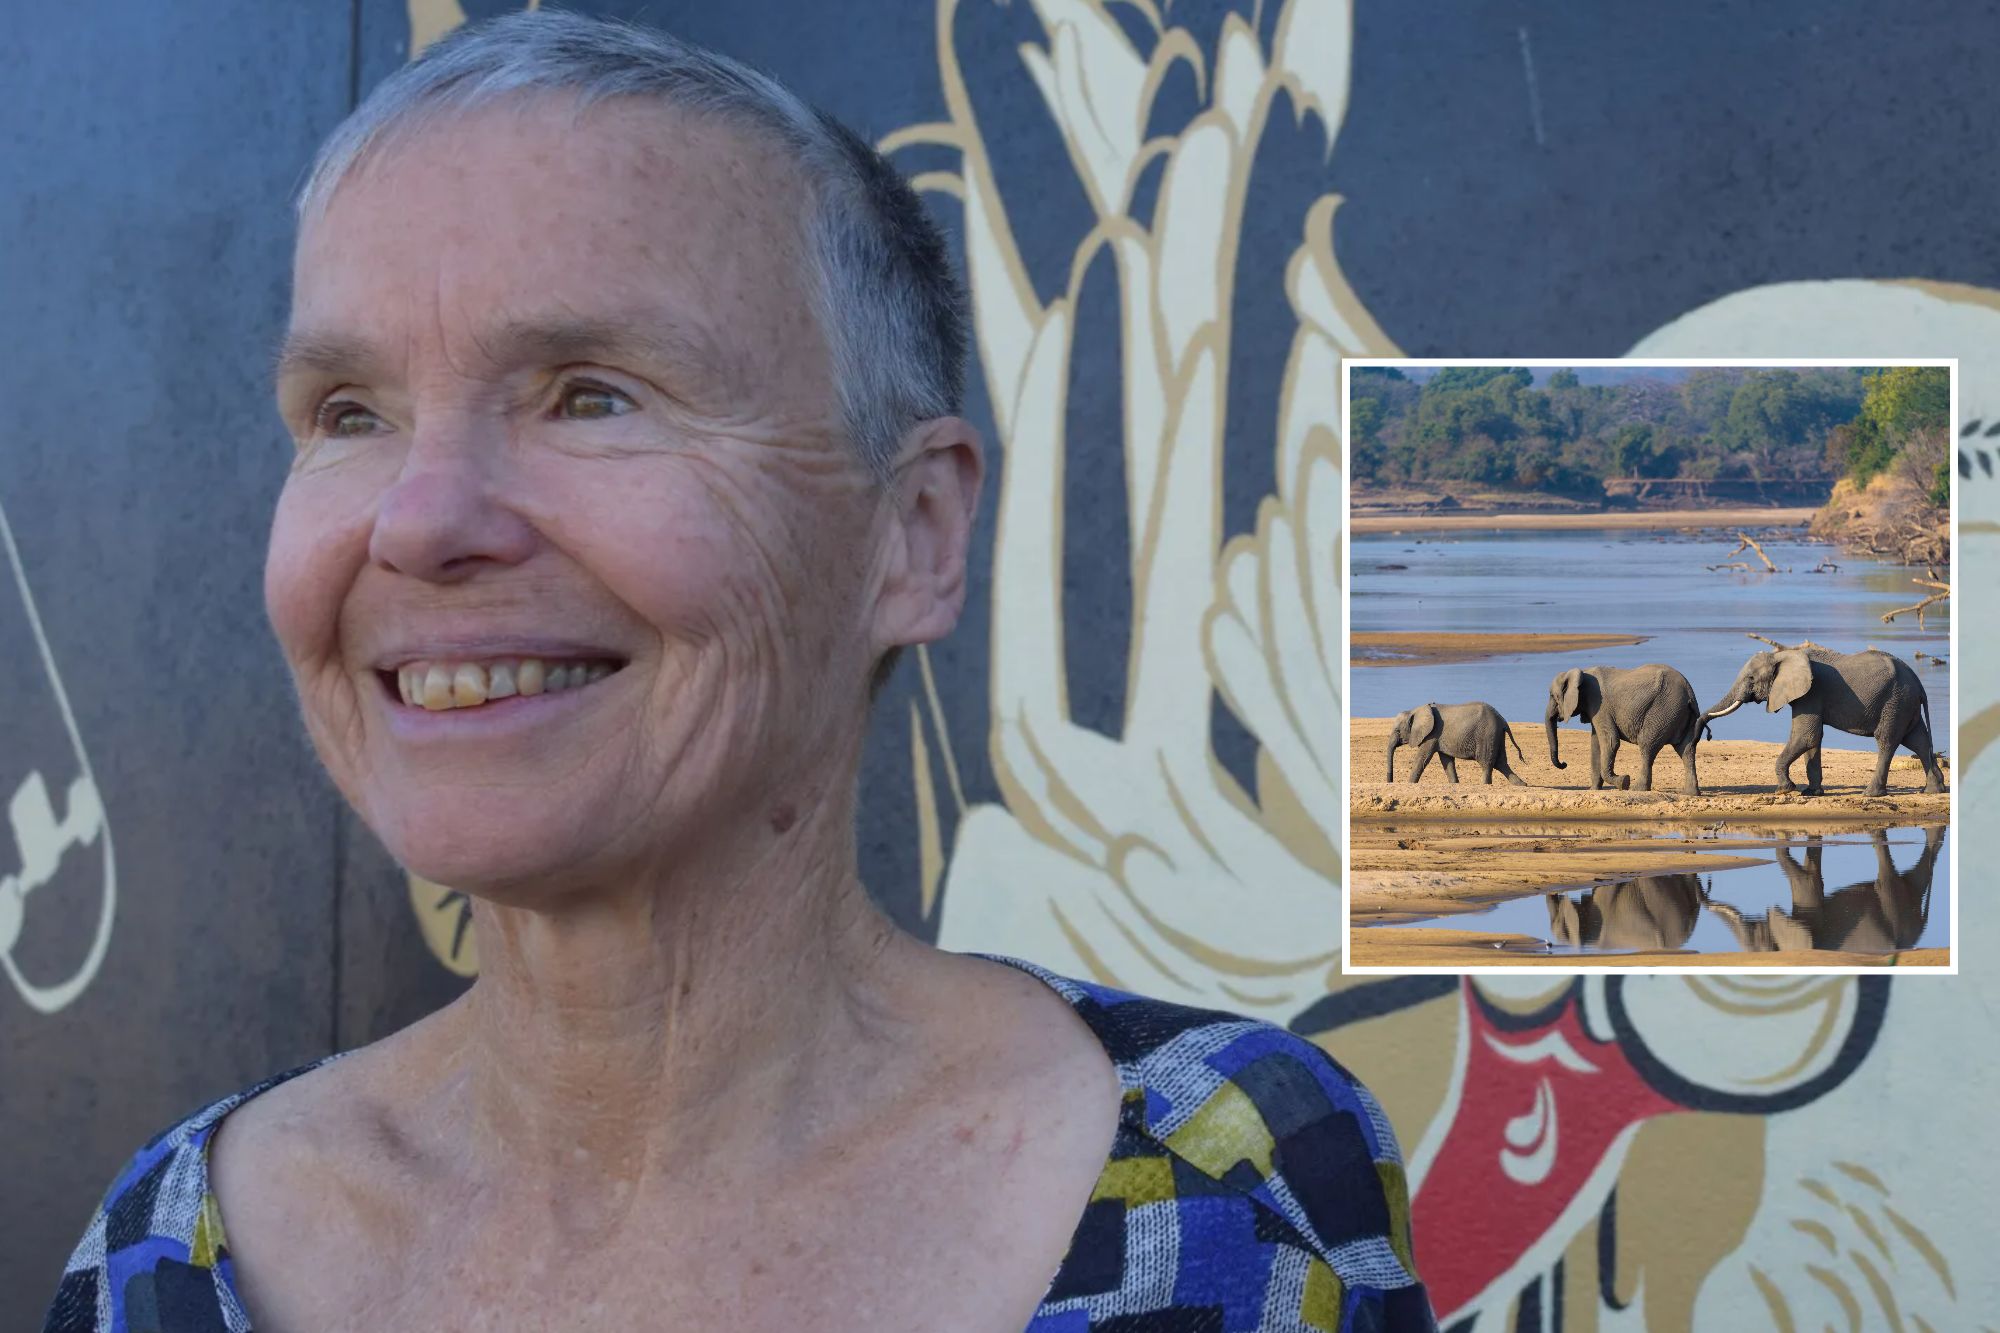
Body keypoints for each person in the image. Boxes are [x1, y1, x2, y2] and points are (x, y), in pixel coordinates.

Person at [44, 12, 1433, 1331]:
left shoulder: (1239, 1178)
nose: (418, 521)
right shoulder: (168, 1253)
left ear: (911, 533)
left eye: (592, 395)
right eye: (349, 413)